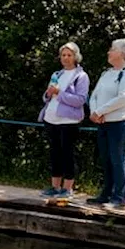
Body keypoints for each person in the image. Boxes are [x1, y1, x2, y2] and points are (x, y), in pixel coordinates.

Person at [86, 39, 125, 209]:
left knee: (118, 158)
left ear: (122, 53)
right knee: (105, 158)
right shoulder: (106, 73)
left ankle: (119, 197)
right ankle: (105, 193)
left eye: (112, 49)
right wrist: (95, 112)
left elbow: (123, 97)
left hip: (120, 122)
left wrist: (100, 111)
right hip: (102, 122)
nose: (108, 52)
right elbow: (94, 95)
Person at [38, 42, 91, 198]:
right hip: (51, 118)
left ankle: (67, 188)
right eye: (63, 55)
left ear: (76, 57)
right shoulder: (57, 74)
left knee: (67, 154)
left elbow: (80, 100)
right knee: (54, 153)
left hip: (69, 121)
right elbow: (47, 96)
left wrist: (59, 93)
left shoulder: (81, 76)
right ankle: (54, 186)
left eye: (69, 55)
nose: (66, 58)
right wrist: (48, 94)